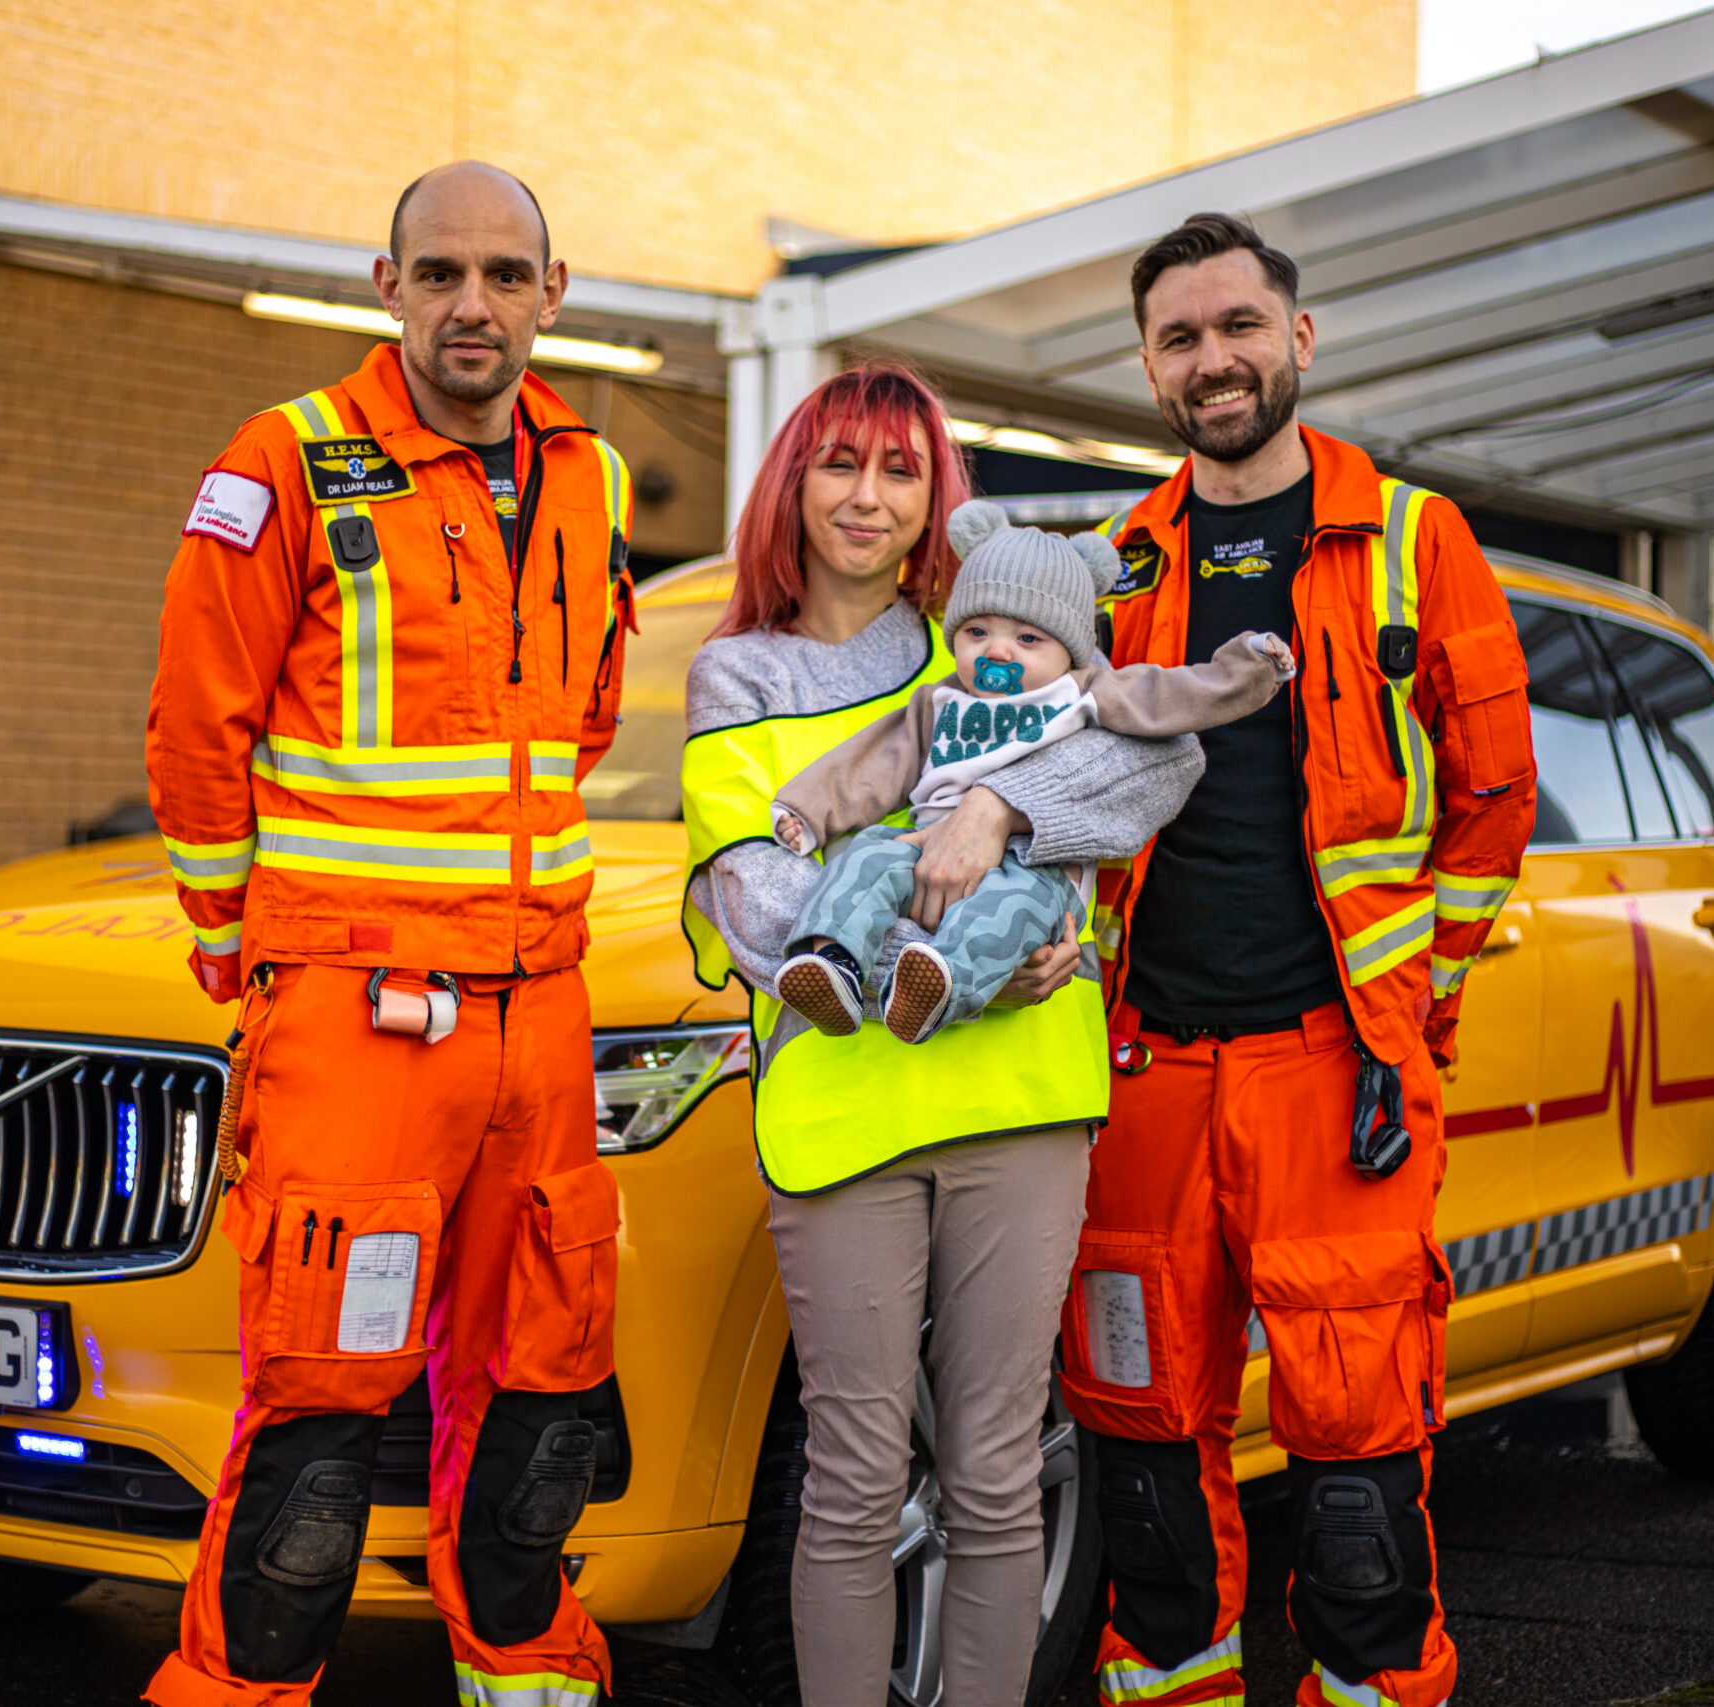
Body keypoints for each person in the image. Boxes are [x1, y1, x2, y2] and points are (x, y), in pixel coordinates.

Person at [143, 162, 638, 1707]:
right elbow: (193, 723)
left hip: (538, 1003)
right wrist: (244, 942)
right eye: (440, 274)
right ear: (385, 284)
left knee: (544, 1382)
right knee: (316, 1406)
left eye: (504, 275)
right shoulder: (283, 461)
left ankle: (529, 1670)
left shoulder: (595, 475)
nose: (471, 305)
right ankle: (239, 1690)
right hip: (356, 1002)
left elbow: (588, 711)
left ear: (555, 295)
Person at [1056, 213, 1534, 1707]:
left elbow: (1495, 792)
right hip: (1140, 1083)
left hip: (1338, 1078)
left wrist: (1419, 1012)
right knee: (1141, 1471)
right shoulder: (1118, 563)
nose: (1215, 359)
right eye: (1181, 337)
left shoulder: (1413, 538)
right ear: (1147, 364)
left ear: (1299, 338)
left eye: (1239, 325)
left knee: (1356, 1483)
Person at [680, 364, 1201, 1707]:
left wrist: (1015, 826)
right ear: (790, 477)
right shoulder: (735, 673)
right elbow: (751, 889)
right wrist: (967, 885)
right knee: (853, 1478)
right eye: (839, 460)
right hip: (842, 1113)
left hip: (1023, 1103)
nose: (866, 495)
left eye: (901, 469)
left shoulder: (991, 633)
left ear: (940, 504)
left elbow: (1128, 765)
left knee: (992, 1464)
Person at [767, 498, 1293, 1044]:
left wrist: (1249, 669)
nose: (997, 650)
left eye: (1027, 639)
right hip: (930, 844)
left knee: (1010, 912)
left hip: (1037, 865)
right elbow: (871, 763)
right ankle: (832, 961)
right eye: (977, 632)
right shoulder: (940, 702)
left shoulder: (1085, 691)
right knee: (870, 853)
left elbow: (1174, 696)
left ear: (1070, 651)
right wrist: (806, 811)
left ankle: (938, 985)